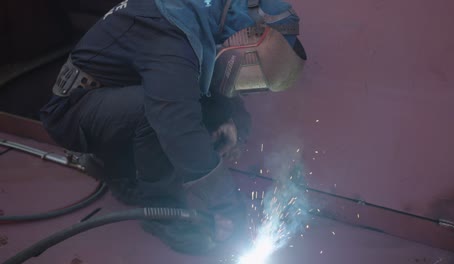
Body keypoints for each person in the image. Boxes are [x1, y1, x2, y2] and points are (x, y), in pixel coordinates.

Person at [40, 0, 306, 255]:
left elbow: (211, 73)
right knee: (162, 116)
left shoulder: (211, 11)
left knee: (191, 104)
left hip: (121, 93)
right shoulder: (172, 30)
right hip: (74, 111)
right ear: (247, 36)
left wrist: (233, 121)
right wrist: (229, 206)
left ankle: (128, 163)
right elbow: (176, 123)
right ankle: (160, 214)